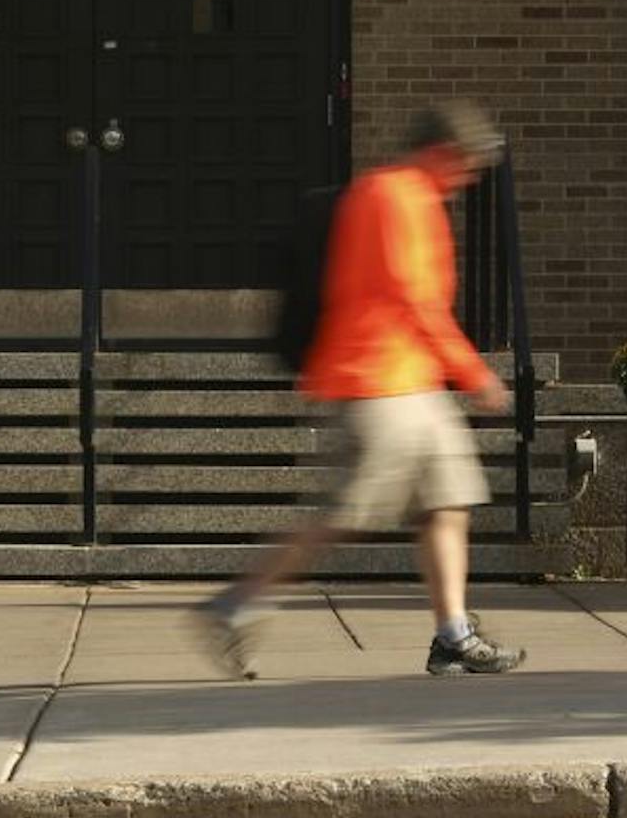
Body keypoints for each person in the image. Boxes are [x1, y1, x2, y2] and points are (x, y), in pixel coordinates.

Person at [196, 101, 528, 679]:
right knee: (343, 514)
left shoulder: (414, 199)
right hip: (375, 385)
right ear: (442, 153)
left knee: (447, 502)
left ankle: (453, 634)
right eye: (468, 165)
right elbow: (413, 297)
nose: (470, 178)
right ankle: (234, 604)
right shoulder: (391, 197)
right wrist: (474, 373)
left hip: (412, 382)